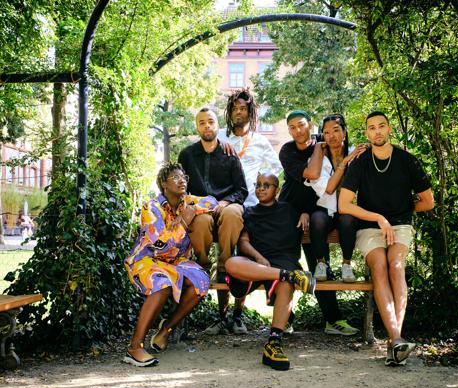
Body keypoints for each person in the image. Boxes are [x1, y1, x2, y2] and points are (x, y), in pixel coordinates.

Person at [339, 111, 434, 366]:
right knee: (379, 266)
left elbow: (428, 202)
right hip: (370, 227)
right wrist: (379, 218)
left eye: (381, 126)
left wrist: (400, 211)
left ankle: (395, 340)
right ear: (367, 133)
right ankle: (396, 339)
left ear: (389, 129)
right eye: (372, 128)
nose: (377, 131)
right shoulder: (360, 162)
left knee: (396, 265)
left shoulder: (407, 160)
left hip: (400, 226)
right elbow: (344, 204)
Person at [123, 162, 216, 367]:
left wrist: (190, 210)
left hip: (175, 262)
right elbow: (159, 244)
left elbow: (212, 202)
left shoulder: (187, 202)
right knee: (162, 283)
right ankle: (134, 347)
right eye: (175, 177)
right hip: (147, 260)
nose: (182, 180)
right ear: (164, 184)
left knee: (201, 281)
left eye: (184, 177)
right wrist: (183, 222)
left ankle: (166, 330)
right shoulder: (151, 207)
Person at [278, 110, 358, 336]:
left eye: (301, 125)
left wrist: (308, 211)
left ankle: (333, 320)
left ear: (310, 124)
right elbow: (312, 174)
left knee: (321, 266)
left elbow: (328, 188)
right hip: (289, 212)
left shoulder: (326, 141)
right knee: (284, 263)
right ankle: (284, 319)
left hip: (315, 213)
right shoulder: (288, 150)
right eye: (292, 127)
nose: (298, 130)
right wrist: (319, 148)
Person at [225, 172, 316, 371]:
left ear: (277, 189)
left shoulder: (290, 210)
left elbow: (312, 197)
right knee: (231, 264)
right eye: (258, 185)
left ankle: (274, 343)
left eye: (267, 185)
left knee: (287, 283)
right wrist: (258, 257)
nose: (261, 188)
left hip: (284, 261)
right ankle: (287, 275)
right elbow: (243, 242)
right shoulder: (249, 212)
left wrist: (306, 213)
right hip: (256, 264)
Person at [178, 107, 248, 335]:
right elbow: (181, 190)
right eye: (202, 122)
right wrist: (194, 205)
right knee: (200, 221)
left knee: (232, 214)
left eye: (210, 121)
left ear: (218, 126)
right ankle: (203, 266)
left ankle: (226, 265)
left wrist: (226, 202)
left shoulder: (229, 154)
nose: (207, 126)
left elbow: (242, 190)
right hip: (202, 211)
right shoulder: (187, 155)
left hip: (227, 206)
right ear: (197, 127)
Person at [305, 114, 360, 283]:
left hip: (349, 209)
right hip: (326, 209)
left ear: (344, 132)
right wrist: (345, 163)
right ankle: (321, 263)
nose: (331, 136)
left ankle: (346, 264)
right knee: (317, 219)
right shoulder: (317, 159)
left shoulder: (357, 155)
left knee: (348, 220)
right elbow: (328, 189)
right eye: (327, 132)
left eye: (336, 130)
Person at [222, 87, 283, 207]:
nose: (238, 112)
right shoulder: (220, 137)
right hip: (223, 201)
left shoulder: (260, 141)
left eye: (242, 108)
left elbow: (277, 166)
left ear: (250, 113)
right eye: (234, 109)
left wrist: (262, 180)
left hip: (251, 203)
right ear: (230, 113)